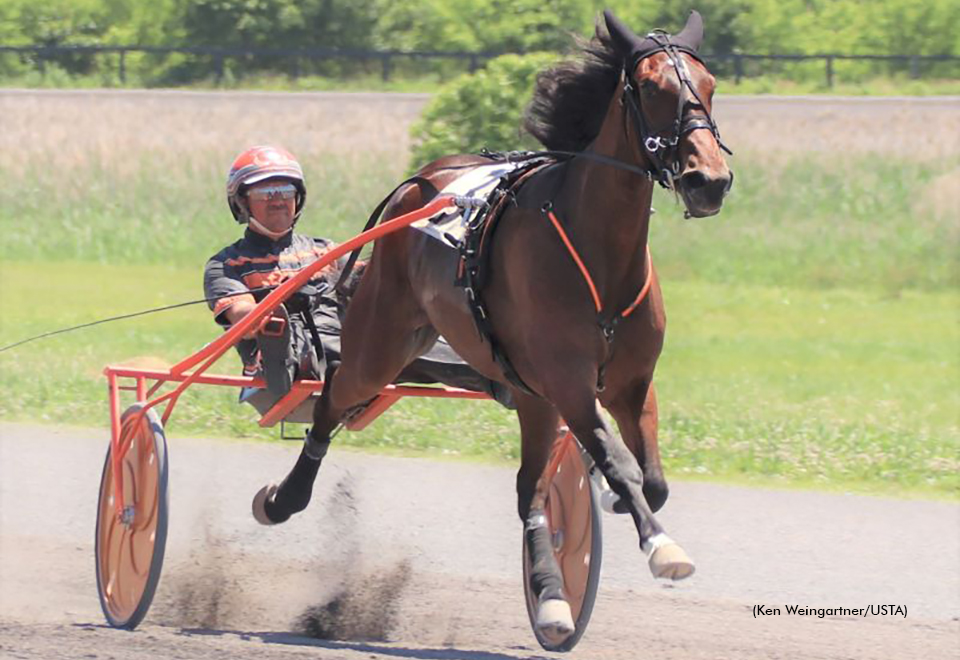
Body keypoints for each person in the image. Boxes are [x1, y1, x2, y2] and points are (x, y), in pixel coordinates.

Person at [203, 145, 513, 415]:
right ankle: (280, 361)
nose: (278, 201)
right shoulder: (226, 264)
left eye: (285, 192)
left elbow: (372, 281)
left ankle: (508, 380)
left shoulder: (325, 250)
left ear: (298, 199)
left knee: (408, 340)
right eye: (265, 193)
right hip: (291, 346)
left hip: (351, 344)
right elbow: (240, 314)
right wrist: (273, 310)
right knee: (301, 335)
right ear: (242, 203)